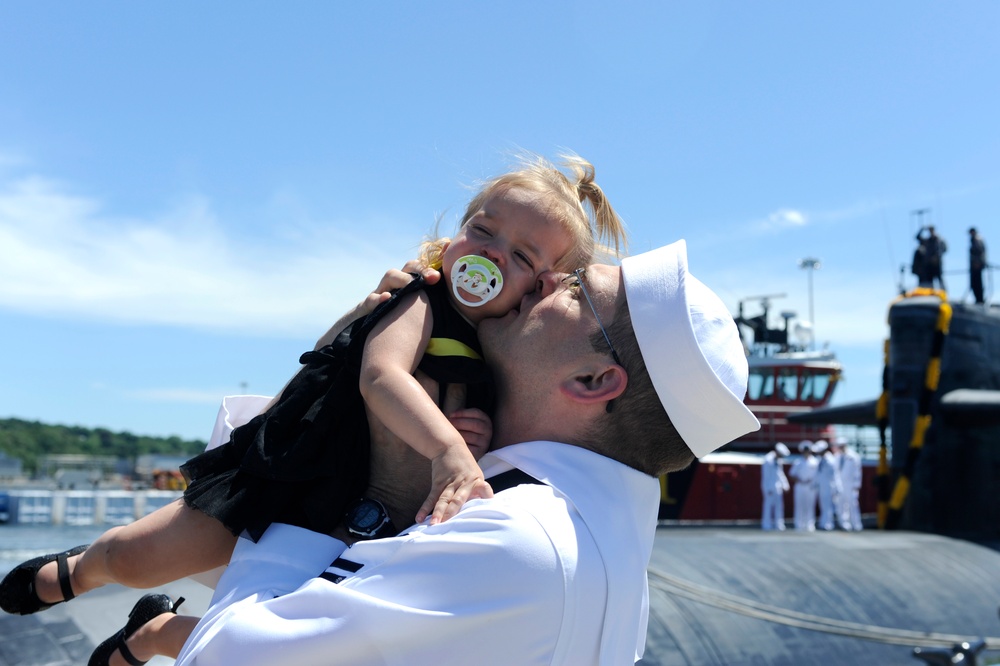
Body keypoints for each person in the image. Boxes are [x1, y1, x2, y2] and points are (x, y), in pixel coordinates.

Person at [0, 155, 628, 661]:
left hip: (374, 519)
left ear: (541, 288)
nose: (491, 255)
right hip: (295, 478)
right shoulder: (421, 299)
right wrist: (450, 450)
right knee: (142, 558)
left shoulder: (509, 359)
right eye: (483, 231)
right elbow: (380, 375)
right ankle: (85, 569)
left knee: (295, 640)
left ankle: (159, 634)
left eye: (521, 256)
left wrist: (477, 435)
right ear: (455, 234)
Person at [96, 239, 759, 666]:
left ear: (593, 381)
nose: (549, 276)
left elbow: (223, 657)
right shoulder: (591, 539)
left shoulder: (514, 540)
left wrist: (345, 487)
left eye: (578, 286)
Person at [832, 436, 863, 531]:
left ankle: (856, 524)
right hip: (840, 485)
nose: (840, 447)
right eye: (839, 446)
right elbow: (835, 472)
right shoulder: (837, 457)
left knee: (853, 504)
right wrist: (836, 485)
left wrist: (857, 484)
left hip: (851, 484)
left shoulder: (854, 456)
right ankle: (844, 524)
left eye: (842, 445)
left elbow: (858, 471)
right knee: (841, 504)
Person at [789, 440, 818, 531]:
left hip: (811, 487)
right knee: (799, 505)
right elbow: (791, 474)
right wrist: (799, 480)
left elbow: (818, 475)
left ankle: (810, 524)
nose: (806, 452)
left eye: (808, 450)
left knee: (810, 505)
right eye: (805, 451)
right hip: (800, 486)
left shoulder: (815, 462)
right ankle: (799, 524)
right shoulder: (798, 462)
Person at [760, 442, 790, 531]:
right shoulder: (768, 460)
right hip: (769, 487)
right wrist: (768, 488)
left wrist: (785, 485)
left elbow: (780, 474)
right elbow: (766, 476)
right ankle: (766, 524)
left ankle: (779, 524)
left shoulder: (778, 460)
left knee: (779, 506)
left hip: (778, 487)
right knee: (768, 506)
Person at [813, 440, 841, 531]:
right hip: (822, 486)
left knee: (828, 506)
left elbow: (835, 475)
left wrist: (836, 488)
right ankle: (824, 523)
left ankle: (828, 524)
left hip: (829, 486)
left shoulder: (830, 460)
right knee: (823, 505)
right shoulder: (821, 459)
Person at [915, 225, 947, 291]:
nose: (930, 231)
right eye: (929, 230)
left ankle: (943, 292)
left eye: (931, 230)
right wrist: (922, 229)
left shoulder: (939, 240)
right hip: (929, 264)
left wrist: (937, 257)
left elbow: (944, 249)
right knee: (930, 280)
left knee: (939, 279)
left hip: (937, 264)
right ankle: (931, 292)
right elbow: (917, 237)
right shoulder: (927, 241)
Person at [969, 226, 987, 304]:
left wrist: (978, 262)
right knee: (975, 283)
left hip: (977, 265)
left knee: (977, 283)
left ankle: (980, 300)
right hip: (974, 265)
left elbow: (979, 252)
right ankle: (978, 299)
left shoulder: (977, 239)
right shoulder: (974, 240)